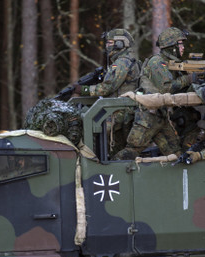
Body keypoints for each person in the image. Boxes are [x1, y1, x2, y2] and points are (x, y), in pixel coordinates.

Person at [113, 27, 194, 160]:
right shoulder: (157, 62)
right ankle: (106, 175)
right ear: (171, 46)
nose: (183, 47)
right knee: (131, 152)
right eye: (180, 44)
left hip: (158, 115)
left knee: (175, 152)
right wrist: (189, 79)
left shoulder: (168, 63)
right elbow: (166, 88)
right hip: (147, 116)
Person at [73, 29, 140, 155]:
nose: (107, 46)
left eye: (110, 42)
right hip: (120, 107)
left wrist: (84, 90)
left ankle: (90, 159)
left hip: (121, 110)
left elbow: (107, 88)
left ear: (120, 44)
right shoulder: (124, 61)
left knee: (90, 126)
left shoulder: (121, 63)